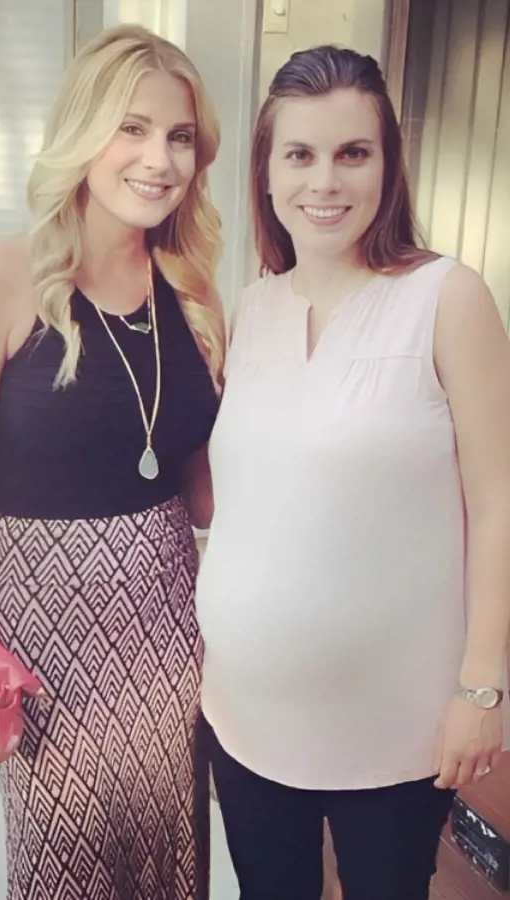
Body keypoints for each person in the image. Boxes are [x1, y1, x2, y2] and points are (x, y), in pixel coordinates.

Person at [0, 24, 222, 900]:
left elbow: (202, 498)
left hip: (168, 624)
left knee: (169, 856)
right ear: (82, 134)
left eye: (179, 136)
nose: (158, 158)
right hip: (44, 633)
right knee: (68, 869)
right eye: (131, 128)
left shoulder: (196, 295)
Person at [196, 45, 510, 900]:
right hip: (244, 718)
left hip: (396, 731)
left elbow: (498, 500)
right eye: (299, 154)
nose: (324, 181)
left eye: (352, 153)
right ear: (265, 172)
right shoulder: (252, 309)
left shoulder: (449, 298)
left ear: (387, 166)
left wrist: (485, 687)